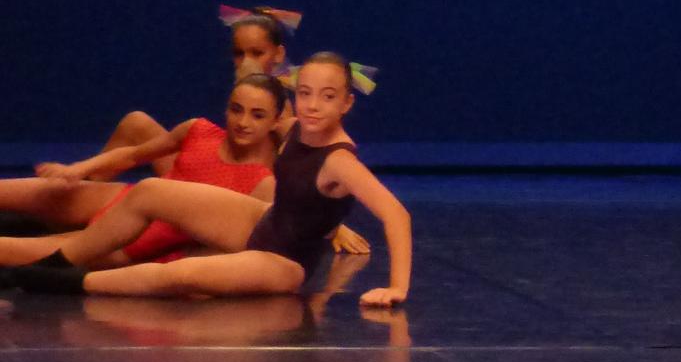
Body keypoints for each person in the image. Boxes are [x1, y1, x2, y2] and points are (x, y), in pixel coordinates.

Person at [0, 53, 411, 306]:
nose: (313, 105)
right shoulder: (293, 127)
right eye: (305, 93)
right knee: (150, 190)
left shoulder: (341, 160)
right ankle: (62, 258)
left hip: (285, 261)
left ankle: (64, 280)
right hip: (264, 220)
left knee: (182, 276)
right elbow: (263, 104)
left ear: (347, 102)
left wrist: (396, 288)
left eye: (327, 96)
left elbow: (396, 215)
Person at [0, 73, 286, 264]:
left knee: (12, 250)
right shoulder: (198, 129)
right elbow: (134, 154)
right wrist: (78, 168)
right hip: (123, 198)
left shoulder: (263, 182)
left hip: (139, 239)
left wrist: (171, 266)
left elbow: (241, 249)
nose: (243, 122)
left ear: (275, 122)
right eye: (236, 109)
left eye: (257, 115)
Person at [91, 5, 298, 180]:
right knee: (136, 123)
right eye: (238, 53)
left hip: (225, 185)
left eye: (257, 53)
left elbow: (286, 167)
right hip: (210, 166)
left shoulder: (280, 107)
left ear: (278, 54)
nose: (246, 62)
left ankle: (79, 191)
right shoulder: (244, 89)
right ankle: (83, 186)